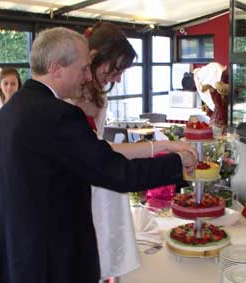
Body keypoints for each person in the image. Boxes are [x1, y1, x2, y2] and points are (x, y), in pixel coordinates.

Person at [0, 27, 197, 283]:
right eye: (83, 68)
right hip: (52, 259)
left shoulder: (11, 110)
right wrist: (178, 162)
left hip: (17, 253)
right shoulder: (58, 115)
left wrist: (164, 148)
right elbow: (118, 173)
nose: (87, 76)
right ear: (56, 68)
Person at [70, 22, 198, 281]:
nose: (117, 78)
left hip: (104, 184)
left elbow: (102, 150)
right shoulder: (66, 99)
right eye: (115, 69)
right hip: (81, 188)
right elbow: (97, 153)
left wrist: (164, 146)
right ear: (94, 57)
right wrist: (163, 148)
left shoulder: (98, 96)